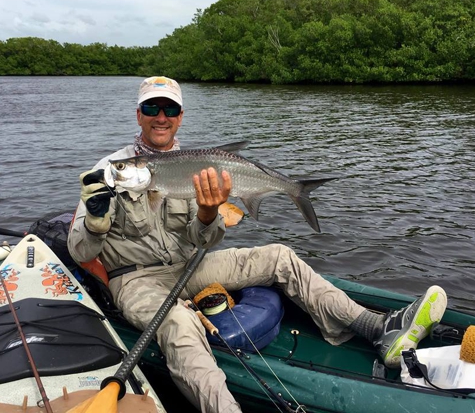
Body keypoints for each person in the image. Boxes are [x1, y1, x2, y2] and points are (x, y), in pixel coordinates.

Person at [68, 76, 448, 413]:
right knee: (180, 324)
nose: (161, 116)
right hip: (136, 282)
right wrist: (96, 222)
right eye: (152, 107)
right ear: (139, 114)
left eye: (170, 108)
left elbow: (204, 241)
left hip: (189, 266)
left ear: (180, 116)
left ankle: (376, 327)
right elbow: (80, 252)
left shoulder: (198, 165)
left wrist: (206, 213)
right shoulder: (108, 170)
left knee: (280, 256)